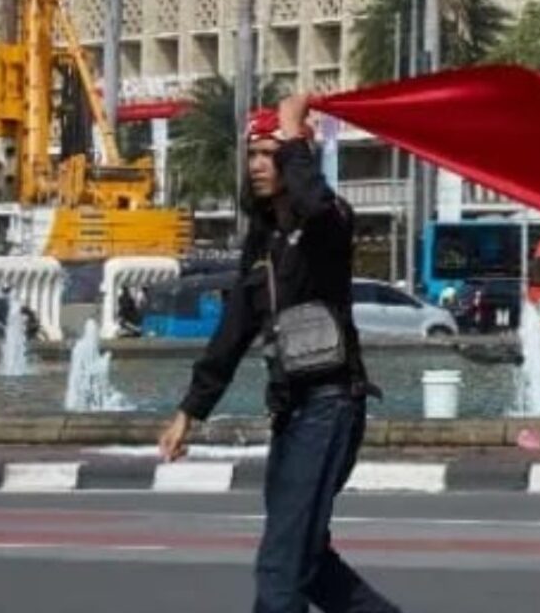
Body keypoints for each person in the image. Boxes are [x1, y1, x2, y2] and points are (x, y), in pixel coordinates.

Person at [158, 94, 401, 613]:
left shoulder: (328, 223)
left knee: (280, 567)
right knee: (304, 560)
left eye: (271, 153)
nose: (259, 165)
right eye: (253, 155)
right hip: (292, 408)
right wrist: (190, 410)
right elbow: (233, 331)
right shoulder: (263, 241)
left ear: (295, 157)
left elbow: (314, 201)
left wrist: (293, 133)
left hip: (332, 405)